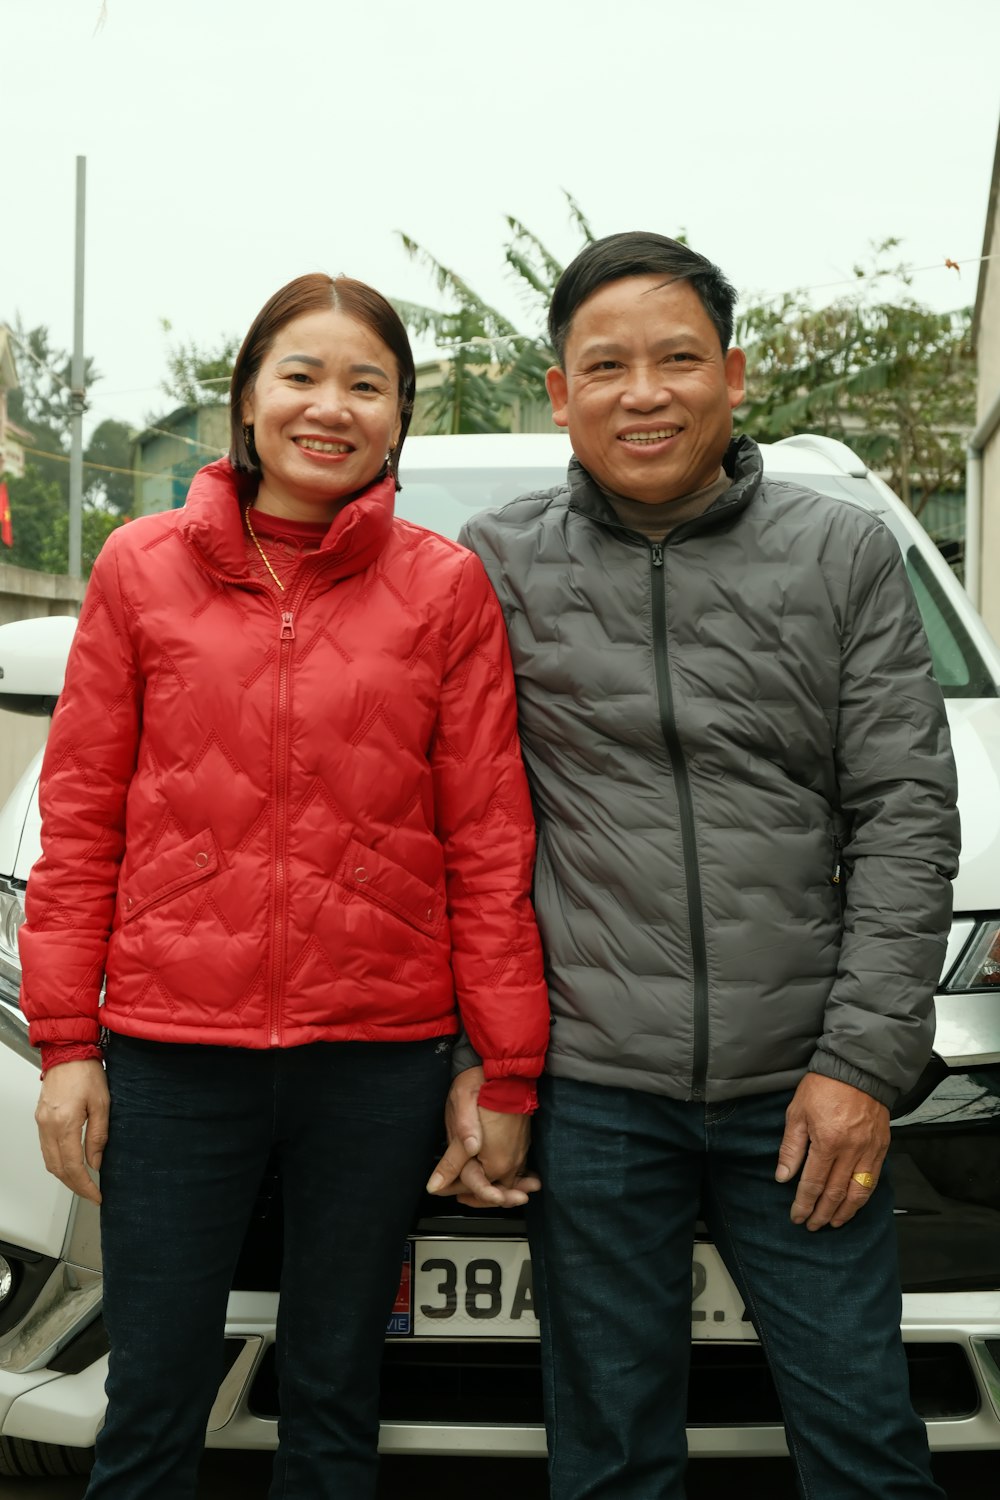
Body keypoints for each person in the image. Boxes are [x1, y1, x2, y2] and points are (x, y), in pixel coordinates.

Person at [432, 233, 960, 1498]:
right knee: (609, 1457)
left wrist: (860, 1064)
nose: (643, 391)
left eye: (677, 358)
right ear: (558, 393)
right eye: (603, 364)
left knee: (868, 1446)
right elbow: (446, 829)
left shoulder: (840, 556)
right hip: (594, 1088)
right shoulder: (493, 568)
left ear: (734, 373)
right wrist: (480, 1060)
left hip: (803, 1090)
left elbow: (904, 813)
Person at [19, 272, 549, 1500]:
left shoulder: (444, 587)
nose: (332, 405)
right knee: (151, 1393)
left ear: (399, 415)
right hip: (169, 1052)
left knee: (333, 1392)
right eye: (301, 375)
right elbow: (81, 815)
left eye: (367, 384)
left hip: (378, 1058)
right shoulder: (140, 567)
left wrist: (502, 1064)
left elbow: (486, 840)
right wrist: (65, 1046)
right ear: (247, 399)